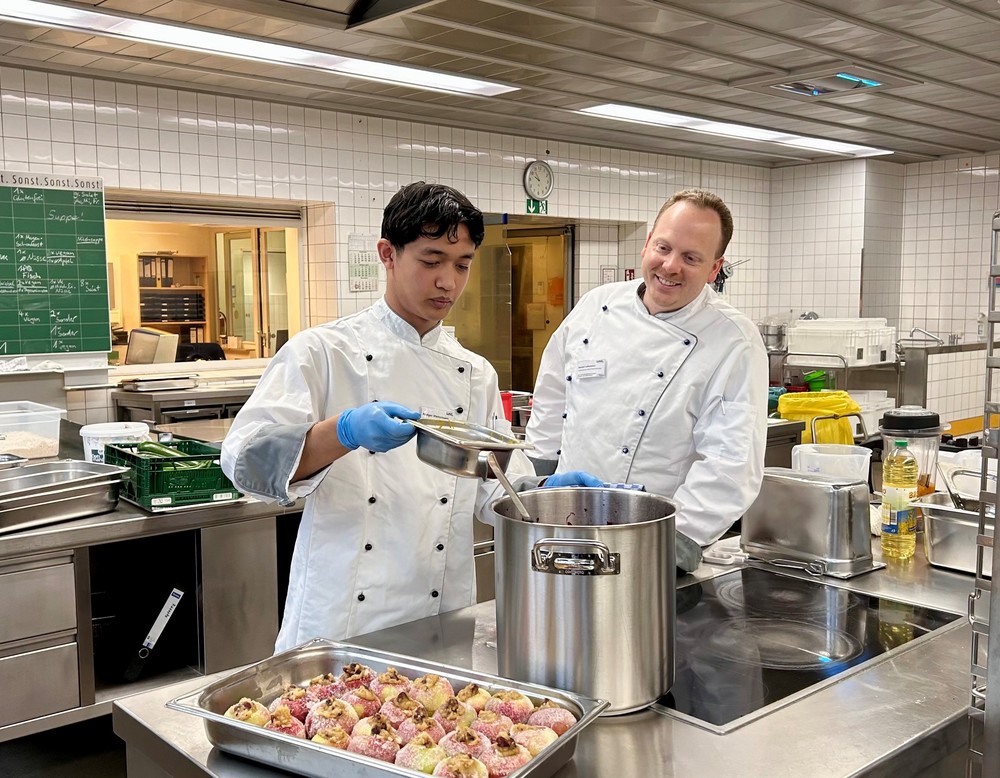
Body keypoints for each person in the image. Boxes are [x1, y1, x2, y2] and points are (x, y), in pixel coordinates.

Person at [221, 181, 565, 652]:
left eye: (462, 264)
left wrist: (550, 495)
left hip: (440, 610)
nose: (449, 281)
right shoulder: (322, 352)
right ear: (388, 254)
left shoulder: (475, 373)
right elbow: (245, 462)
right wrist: (342, 432)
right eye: (431, 261)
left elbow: (495, 486)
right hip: (342, 617)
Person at [525, 188, 768, 548]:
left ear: (715, 268)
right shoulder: (596, 306)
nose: (670, 267)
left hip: (650, 538)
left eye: (691, 257)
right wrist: (537, 488)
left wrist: (673, 543)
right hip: (563, 523)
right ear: (647, 243)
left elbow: (729, 465)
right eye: (664, 248)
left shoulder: (734, 341)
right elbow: (551, 400)